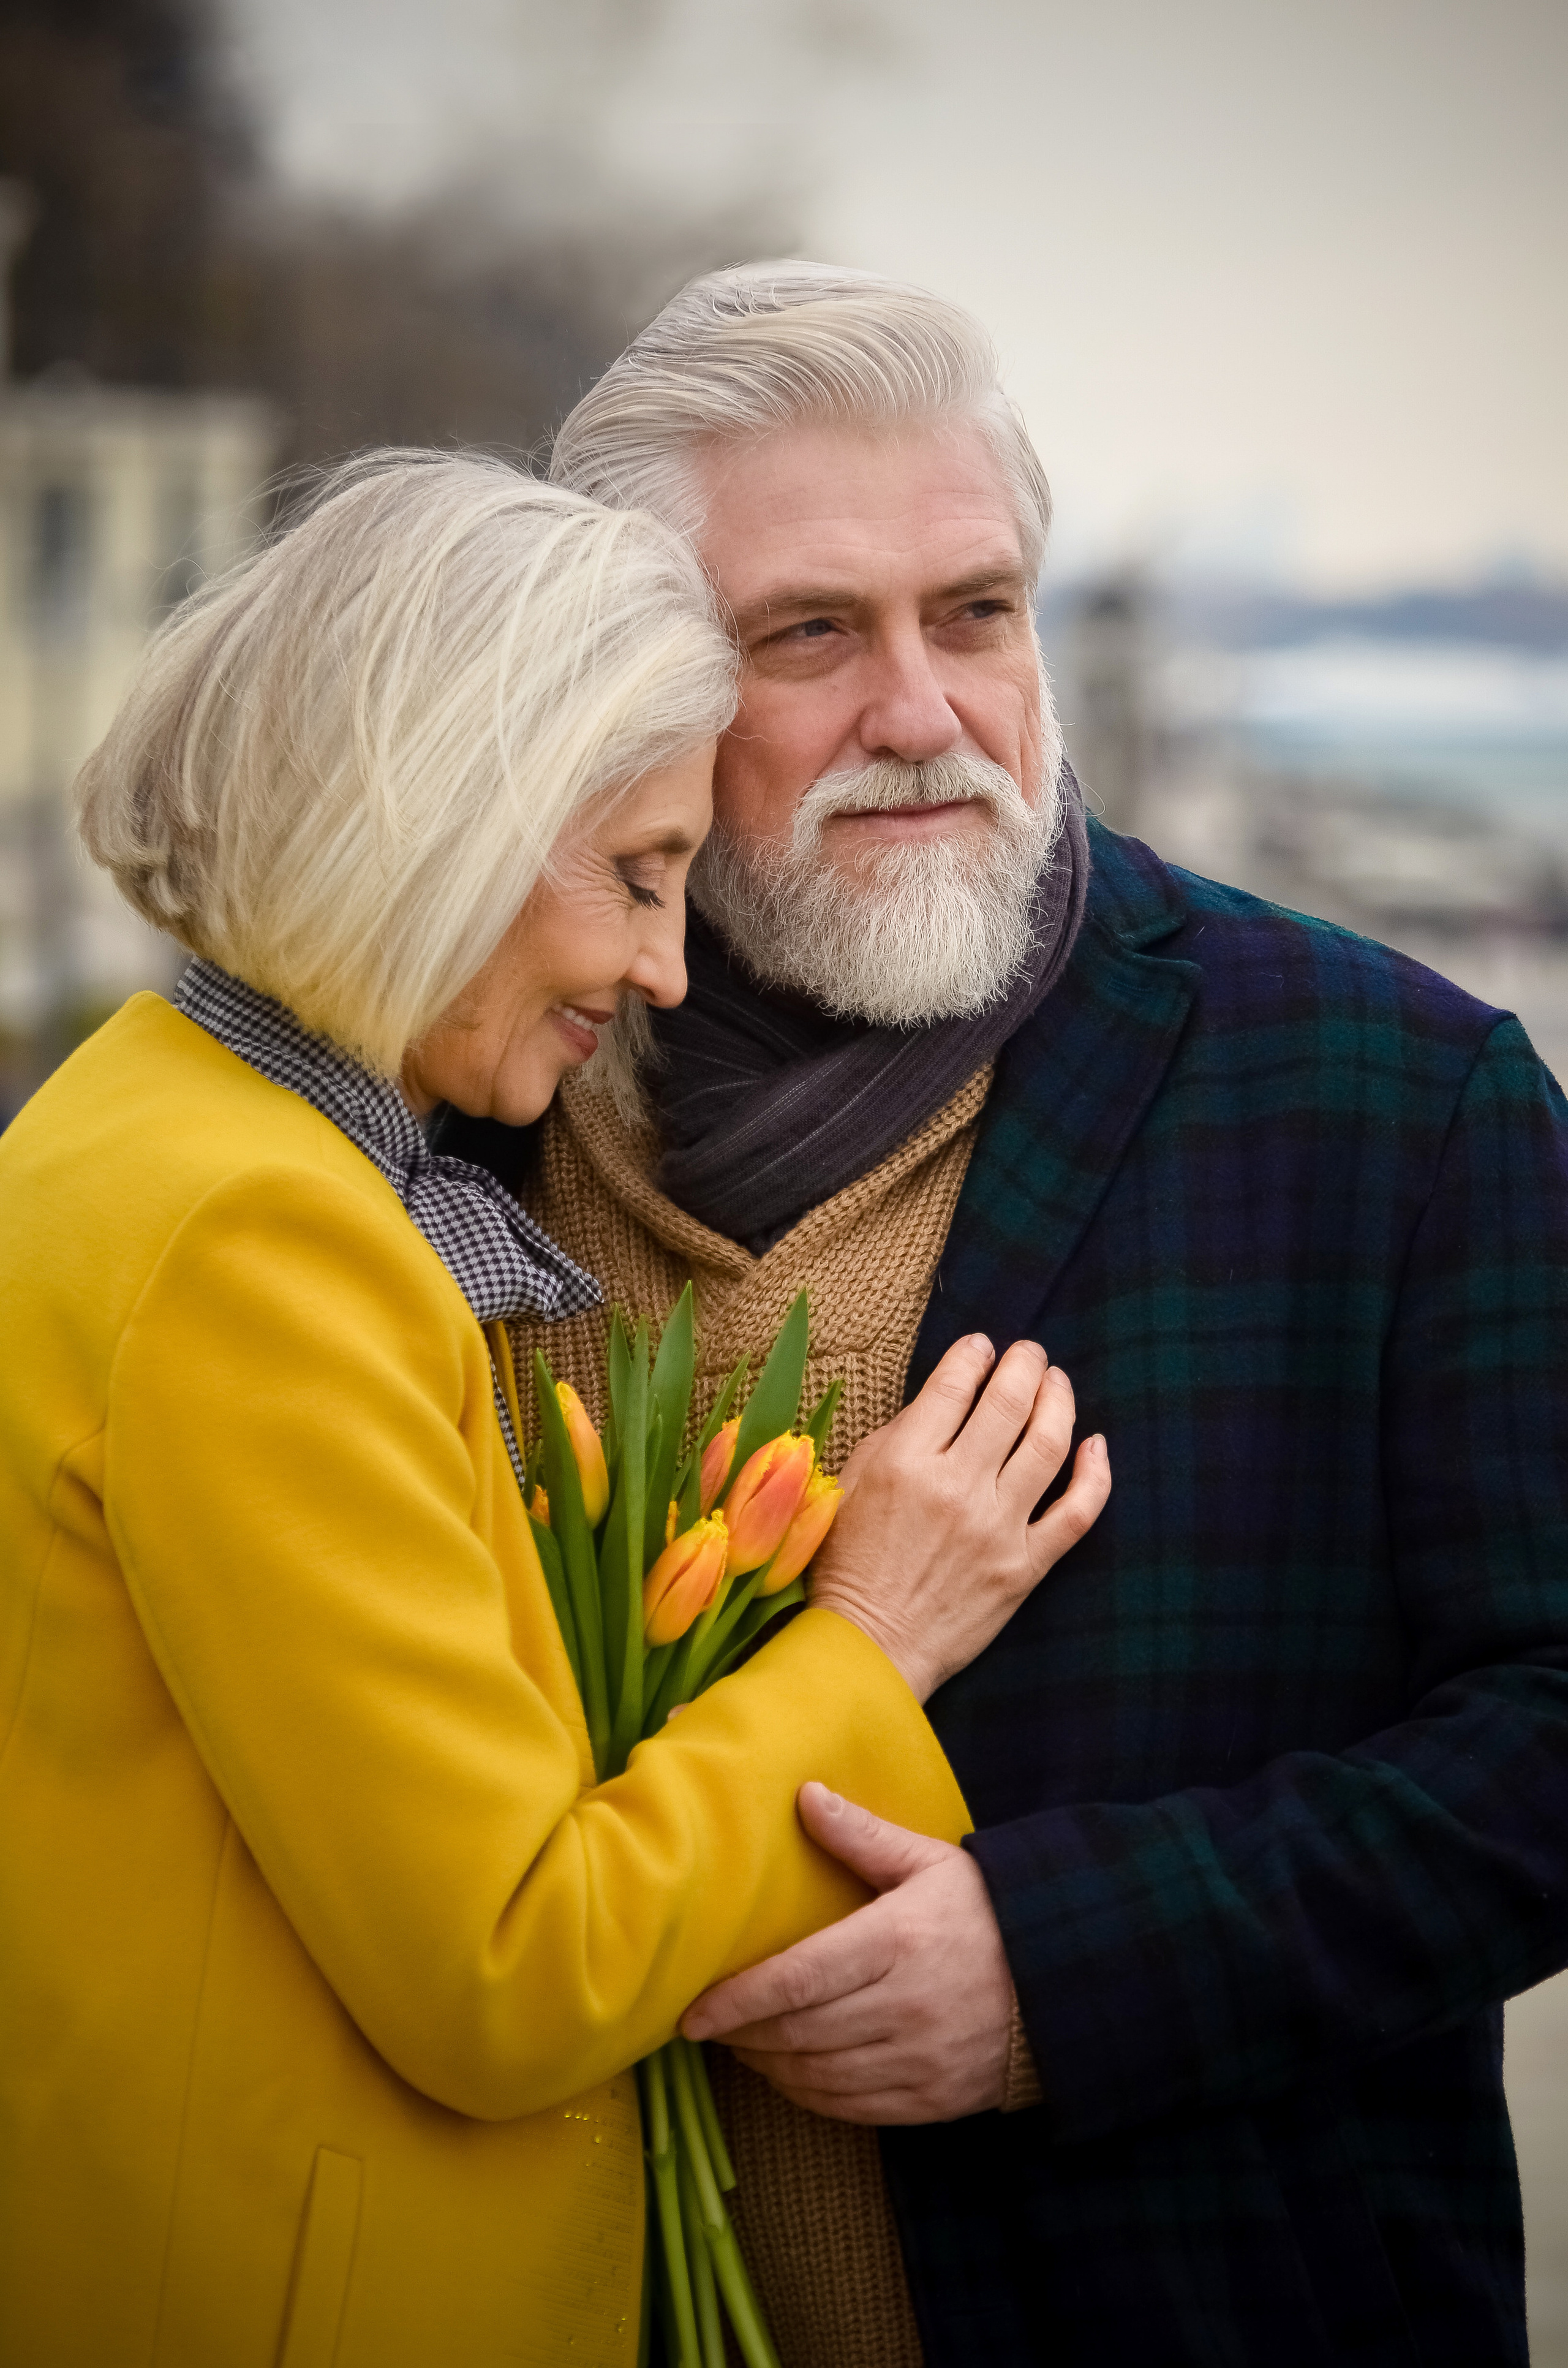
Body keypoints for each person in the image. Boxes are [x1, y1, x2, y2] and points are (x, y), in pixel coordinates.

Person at [480, 268, 1568, 2366]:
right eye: (811, 633)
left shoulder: (1392, 1100)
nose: (923, 710)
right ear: (626, 690)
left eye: (974, 612)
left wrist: (1069, 1973)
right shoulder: (471, 1111)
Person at [0, 450, 1112, 2367]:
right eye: (635, 874)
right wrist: (870, 1634)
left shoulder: (136, 1112)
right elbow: (510, 1966)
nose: (667, 966)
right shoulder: (267, 1234)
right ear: (433, 817)